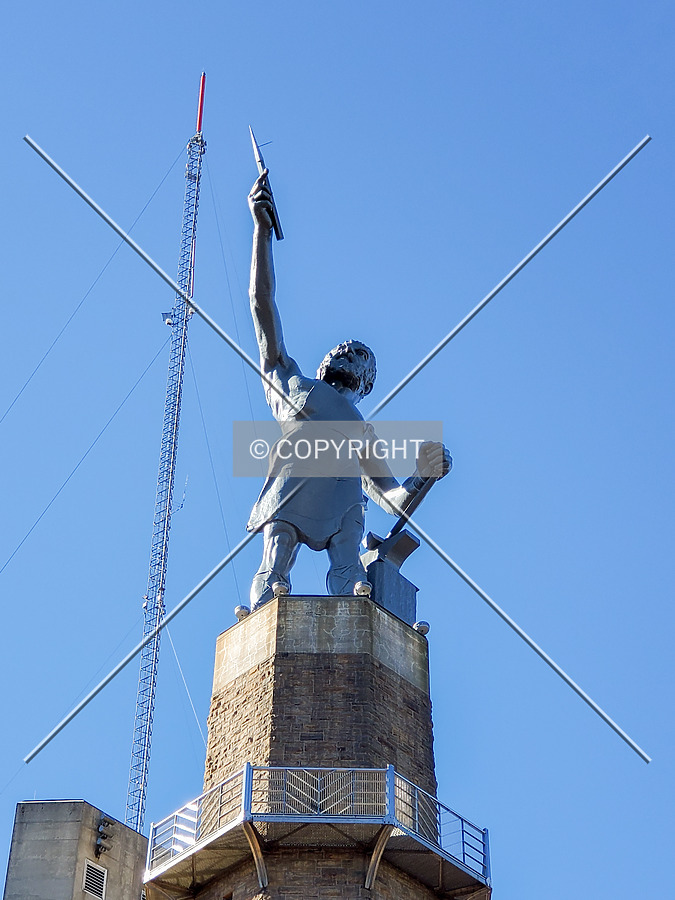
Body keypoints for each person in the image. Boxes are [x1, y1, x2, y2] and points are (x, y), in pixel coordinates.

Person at [247, 171, 451, 608]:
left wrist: (422, 475)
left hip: (344, 508)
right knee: (276, 559)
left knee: (350, 574)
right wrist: (262, 232)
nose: (345, 354)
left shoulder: (362, 434)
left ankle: (357, 623)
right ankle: (262, 618)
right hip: (293, 487)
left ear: (368, 382)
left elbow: (392, 500)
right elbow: (263, 305)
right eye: (341, 350)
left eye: (358, 355)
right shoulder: (293, 383)